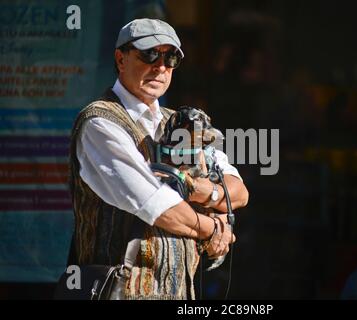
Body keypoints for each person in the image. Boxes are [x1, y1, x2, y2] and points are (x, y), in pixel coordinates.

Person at [67, 18, 249, 300]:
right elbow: (157, 205)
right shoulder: (100, 123)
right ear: (120, 58)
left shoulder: (180, 122)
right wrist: (215, 228)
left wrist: (201, 191)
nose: (161, 67)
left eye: (171, 57)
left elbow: (238, 191)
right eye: (149, 54)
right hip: (117, 293)